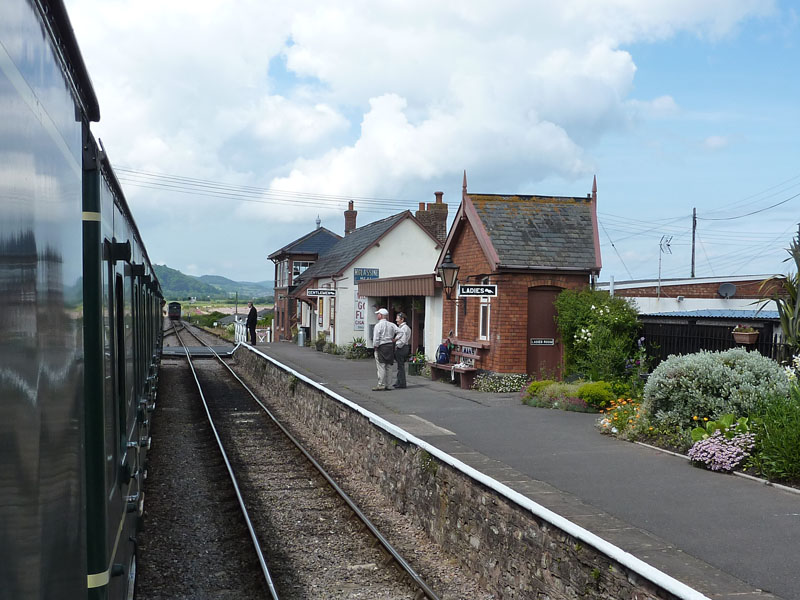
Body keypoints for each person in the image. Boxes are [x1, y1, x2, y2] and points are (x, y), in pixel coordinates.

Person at [372, 308, 397, 391]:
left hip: (381, 346)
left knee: (381, 366)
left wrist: (375, 346)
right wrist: (395, 339)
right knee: (389, 366)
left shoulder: (378, 325)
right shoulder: (392, 325)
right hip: (390, 346)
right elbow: (401, 332)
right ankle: (388, 384)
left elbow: (376, 338)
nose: (377, 315)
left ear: (381, 315)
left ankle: (381, 384)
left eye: (378, 314)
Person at [392, 312, 411, 388]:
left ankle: (401, 383)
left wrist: (397, 346)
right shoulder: (405, 328)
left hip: (402, 348)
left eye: (398, 318)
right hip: (405, 347)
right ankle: (399, 381)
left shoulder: (403, 328)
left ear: (402, 319)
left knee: (400, 366)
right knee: (400, 366)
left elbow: (402, 340)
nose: (396, 320)